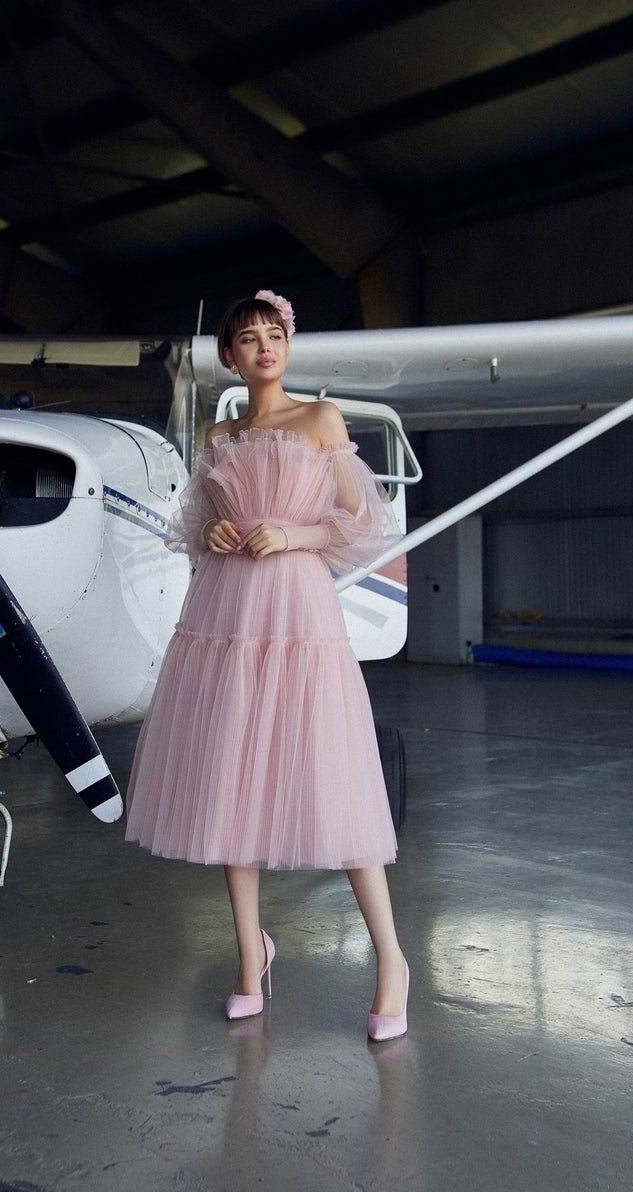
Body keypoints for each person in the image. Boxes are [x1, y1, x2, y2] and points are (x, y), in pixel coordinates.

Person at [126, 290, 409, 1040]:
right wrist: (216, 529)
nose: (263, 347)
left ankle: (392, 963)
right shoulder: (219, 436)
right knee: (231, 780)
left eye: (273, 333)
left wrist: (291, 534)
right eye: (247, 338)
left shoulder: (321, 420)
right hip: (226, 614)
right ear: (229, 356)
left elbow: (360, 525)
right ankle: (251, 958)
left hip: (297, 616)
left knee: (333, 778)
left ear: (289, 342)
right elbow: (193, 524)